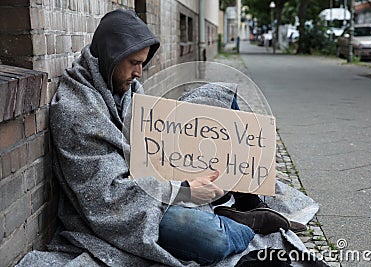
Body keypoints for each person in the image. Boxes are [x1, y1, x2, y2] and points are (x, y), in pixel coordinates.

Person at [48, 9, 303, 266]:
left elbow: (149, 137)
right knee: (213, 239)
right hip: (129, 206)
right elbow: (108, 197)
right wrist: (184, 191)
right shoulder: (77, 112)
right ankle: (243, 223)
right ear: (112, 57)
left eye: (142, 63)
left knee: (218, 95)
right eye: (134, 63)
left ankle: (246, 202)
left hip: (155, 179)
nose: (139, 73)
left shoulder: (122, 84)